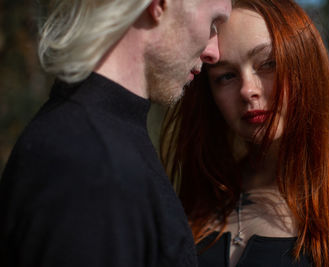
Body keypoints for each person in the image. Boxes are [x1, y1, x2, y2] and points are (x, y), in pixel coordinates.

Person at [160, 0, 329, 266]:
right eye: (226, 76)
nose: (247, 90)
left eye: (268, 64)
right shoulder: (203, 195)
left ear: (306, 65)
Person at [0, 0, 231, 266]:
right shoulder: (90, 163)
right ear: (159, 5)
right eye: (213, 23)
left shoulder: (99, 139)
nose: (214, 52)